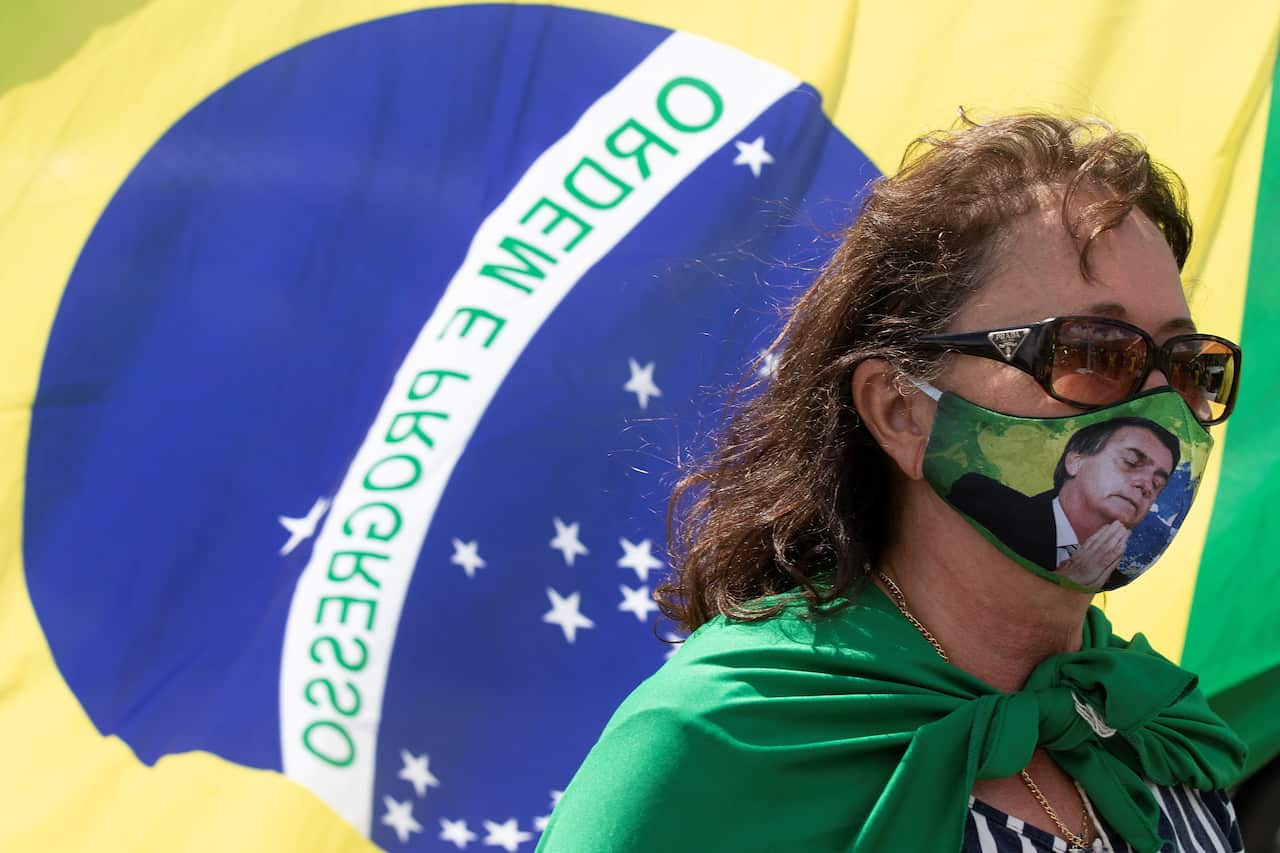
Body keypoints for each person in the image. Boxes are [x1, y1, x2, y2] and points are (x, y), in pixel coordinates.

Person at [536, 114, 1247, 853]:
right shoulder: (711, 748)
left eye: (1190, 365)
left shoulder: (1157, 728)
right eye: (1094, 352)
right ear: (902, 411)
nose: (1161, 412)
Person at [947, 416, 1180, 589]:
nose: (1146, 485)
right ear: (1075, 461)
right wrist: (1061, 586)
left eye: (1157, 483)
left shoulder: (1113, 578)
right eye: (1131, 461)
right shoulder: (986, 506)